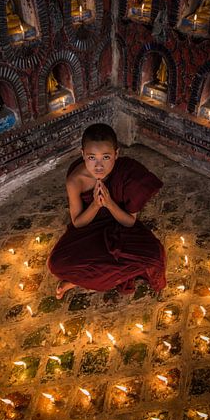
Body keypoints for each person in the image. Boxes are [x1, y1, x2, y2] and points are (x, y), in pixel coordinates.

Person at [48, 123, 166, 299]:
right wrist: (96, 205)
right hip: (89, 230)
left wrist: (109, 203)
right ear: (82, 155)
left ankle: (76, 282)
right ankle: (102, 278)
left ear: (116, 154)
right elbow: (78, 223)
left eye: (105, 157)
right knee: (56, 264)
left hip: (121, 228)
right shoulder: (76, 180)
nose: (98, 166)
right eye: (91, 157)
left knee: (155, 259)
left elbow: (129, 222)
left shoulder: (128, 172)